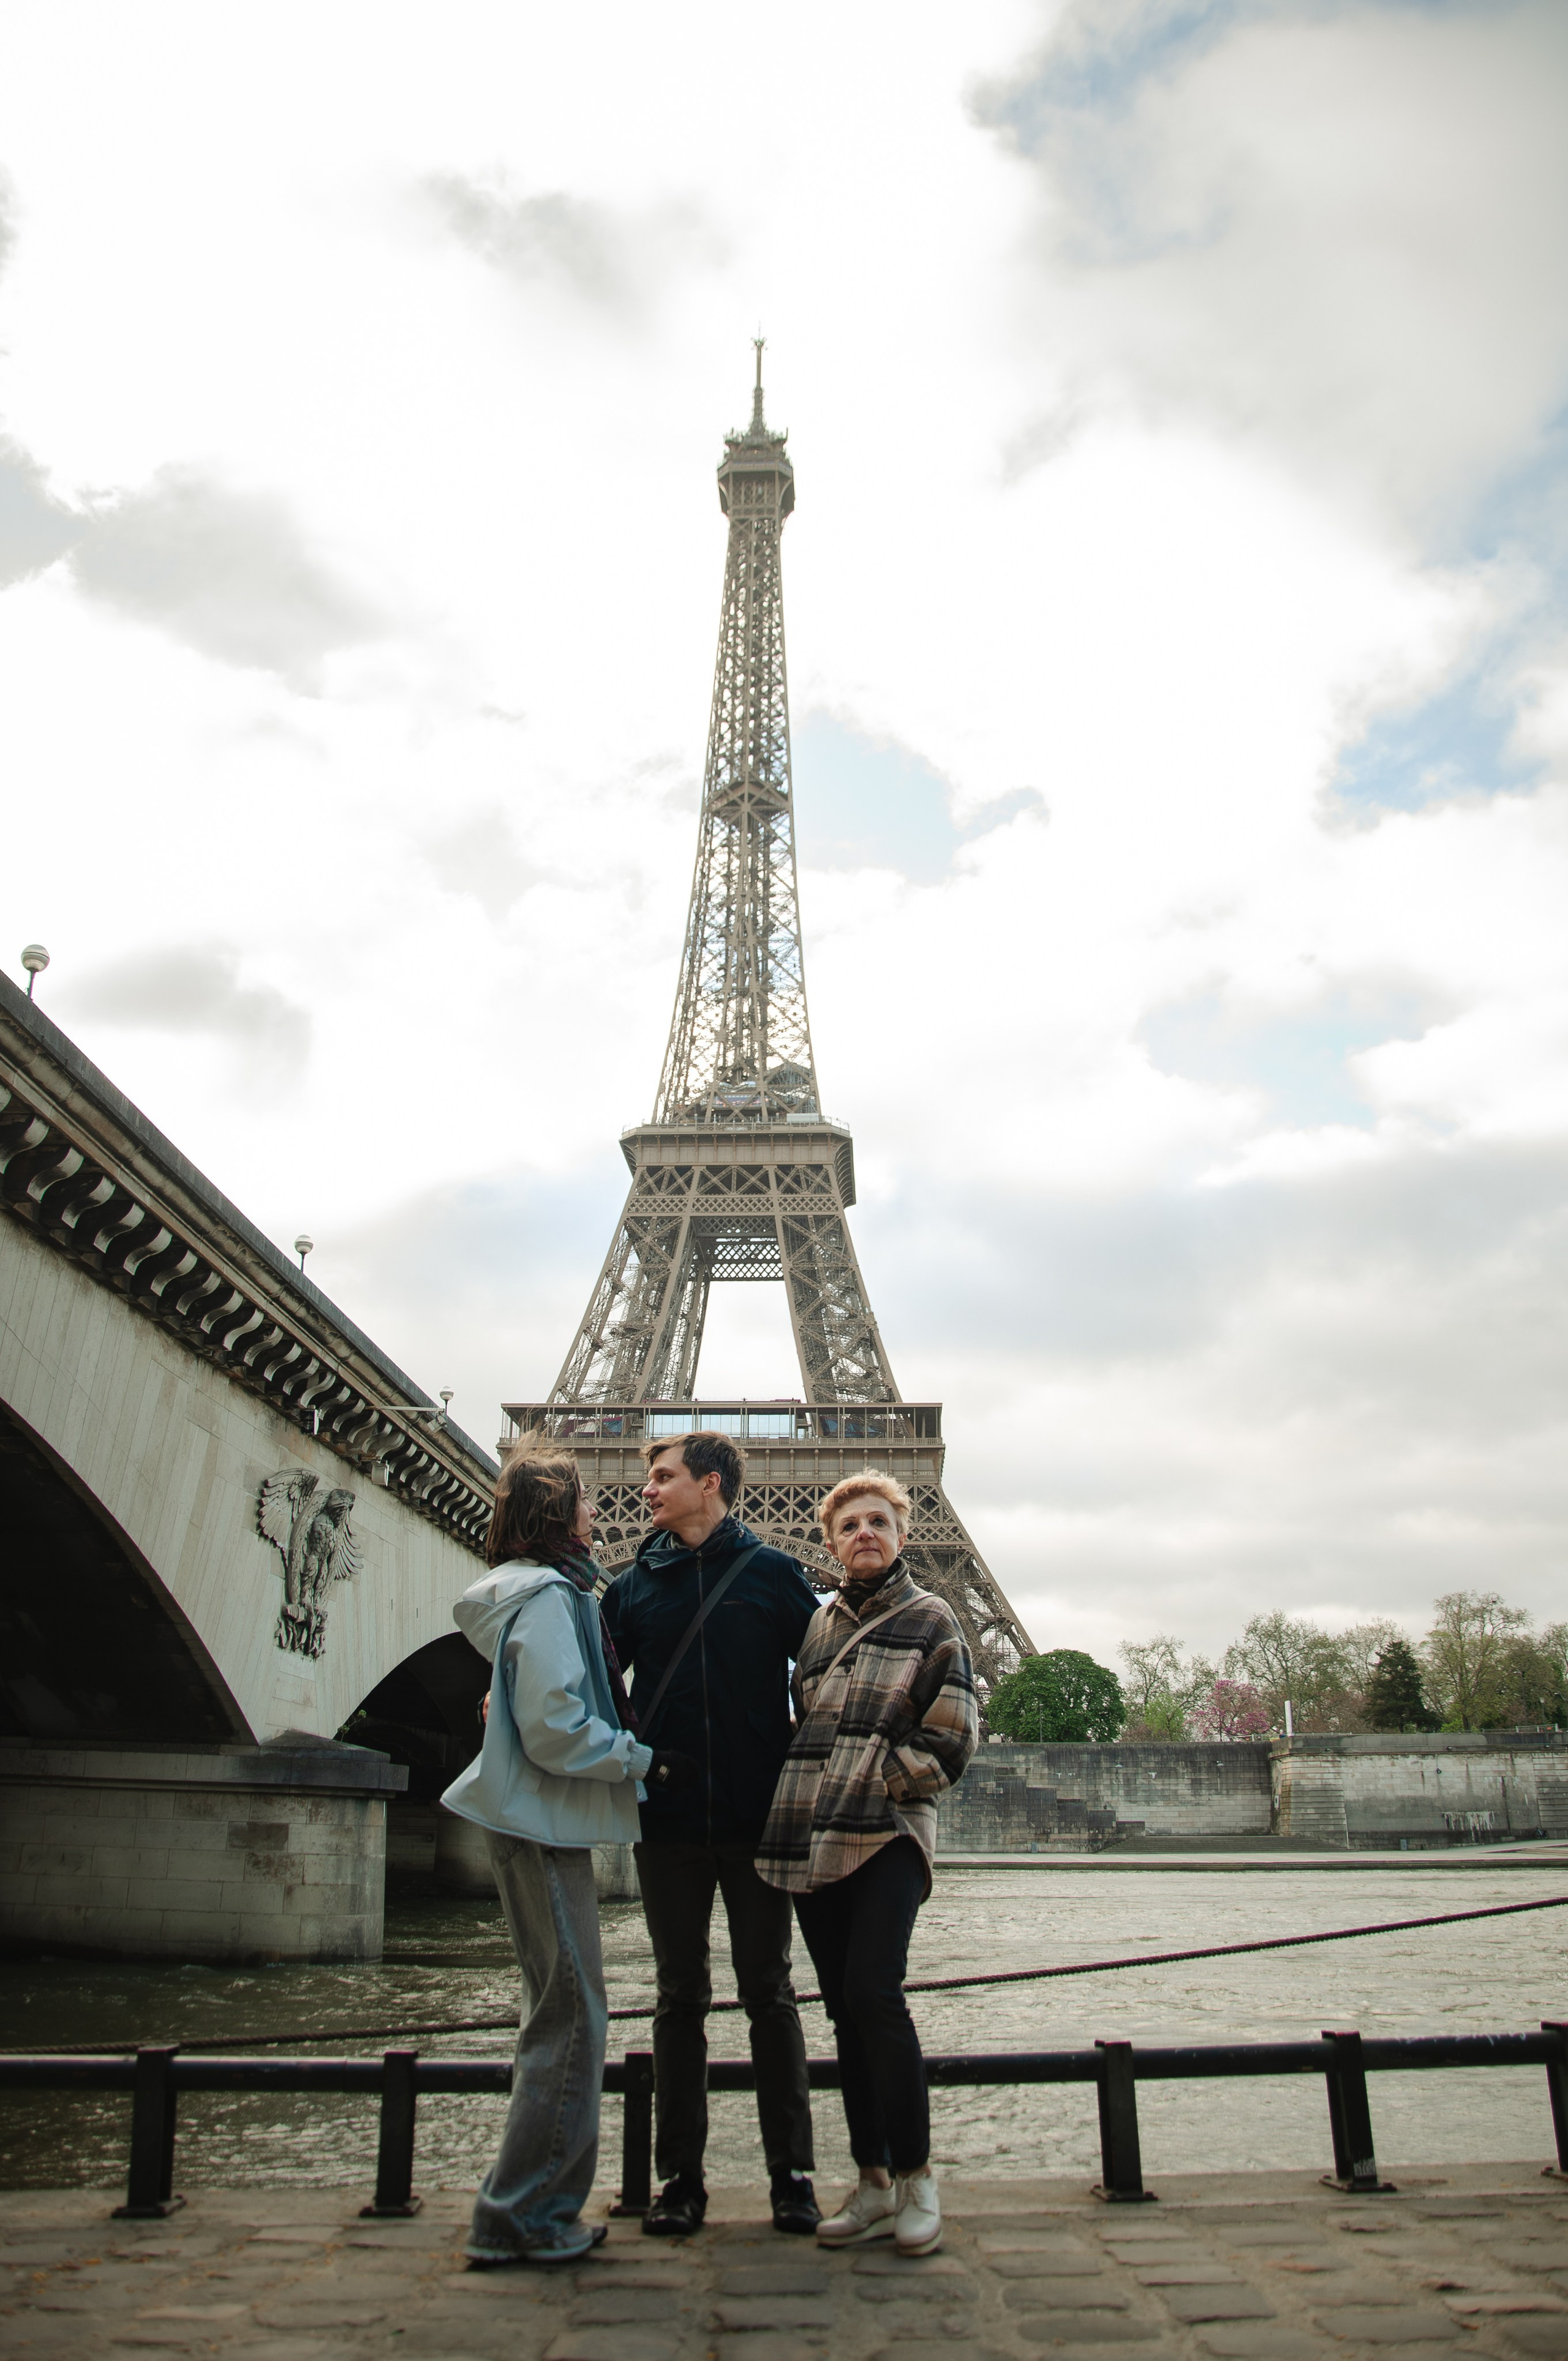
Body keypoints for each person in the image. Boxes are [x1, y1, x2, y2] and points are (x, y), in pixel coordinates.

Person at [442, 1444, 696, 2267]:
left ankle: (524, 2204)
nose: (599, 1514)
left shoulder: (530, 1594)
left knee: (557, 2011)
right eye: (586, 1503)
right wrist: (638, 1756)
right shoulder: (551, 1597)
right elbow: (554, 1725)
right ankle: (524, 2212)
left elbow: (531, 1709)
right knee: (572, 2017)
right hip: (544, 1822)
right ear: (559, 1514)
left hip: (532, 1819)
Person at [600, 1430, 824, 2237]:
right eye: (647, 1477)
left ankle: (792, 2174)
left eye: (662, 1476)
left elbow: (827, 1673)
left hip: (759, 1820)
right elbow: (593, 1683)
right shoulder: (629, 1588)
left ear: (711, 1482)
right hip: (667, 1822)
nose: (649, 1489)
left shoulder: (770, 1574)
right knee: (678, 1997)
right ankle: (680, 2179)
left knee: (769, 1992)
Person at [756, 1470, 977, 2257]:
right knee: (846, 2013)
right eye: (849, 1525)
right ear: (830, 1540)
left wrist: (881, 1787)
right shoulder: (815, 1628)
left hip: (884, 1834)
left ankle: (918, 2178)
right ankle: (873, 2180)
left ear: (902, 1533)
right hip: (813, 1835)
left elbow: (952, 1737)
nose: (864, 1534)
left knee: (874, 1996)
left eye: (877, 1522)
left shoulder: (933, 1615)